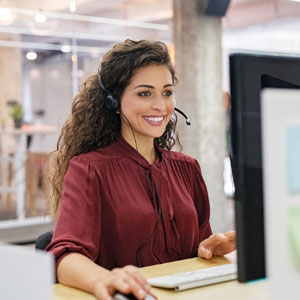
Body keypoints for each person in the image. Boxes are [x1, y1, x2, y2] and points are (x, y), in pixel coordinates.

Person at [46, 39, 235, 300]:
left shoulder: (187, 169)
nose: (160, 105)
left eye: (167, 92)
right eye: (145, 93)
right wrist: (106, 278)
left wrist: (209, 248)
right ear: (114, 101)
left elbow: (197, 247)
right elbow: (64, 257)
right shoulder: (89, 169)